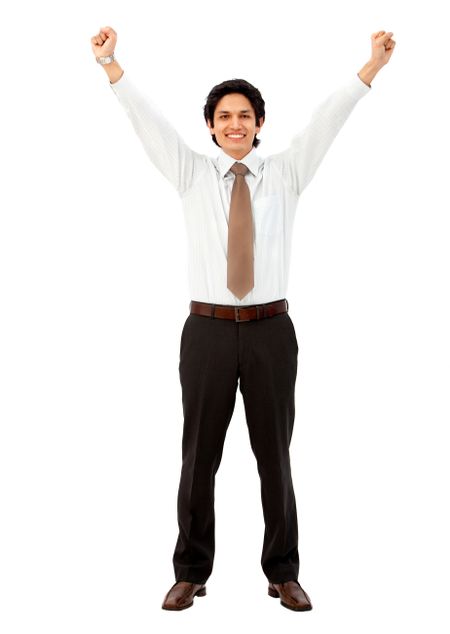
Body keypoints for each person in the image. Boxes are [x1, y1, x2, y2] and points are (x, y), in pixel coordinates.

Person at [90, 25, 396, 612]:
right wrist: (112, 65)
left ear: (259, 124)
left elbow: (327, 120)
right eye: (224, 115)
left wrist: (371, 68)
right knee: (198, 455)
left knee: (274, 455)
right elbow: (147, 121)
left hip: (270, 332)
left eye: (246, 115)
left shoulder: (286, 173)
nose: (235, 124)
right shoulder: (190, 175)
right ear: (210, 125)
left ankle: (283, 571)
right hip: (204, 331)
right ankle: (191, 569)